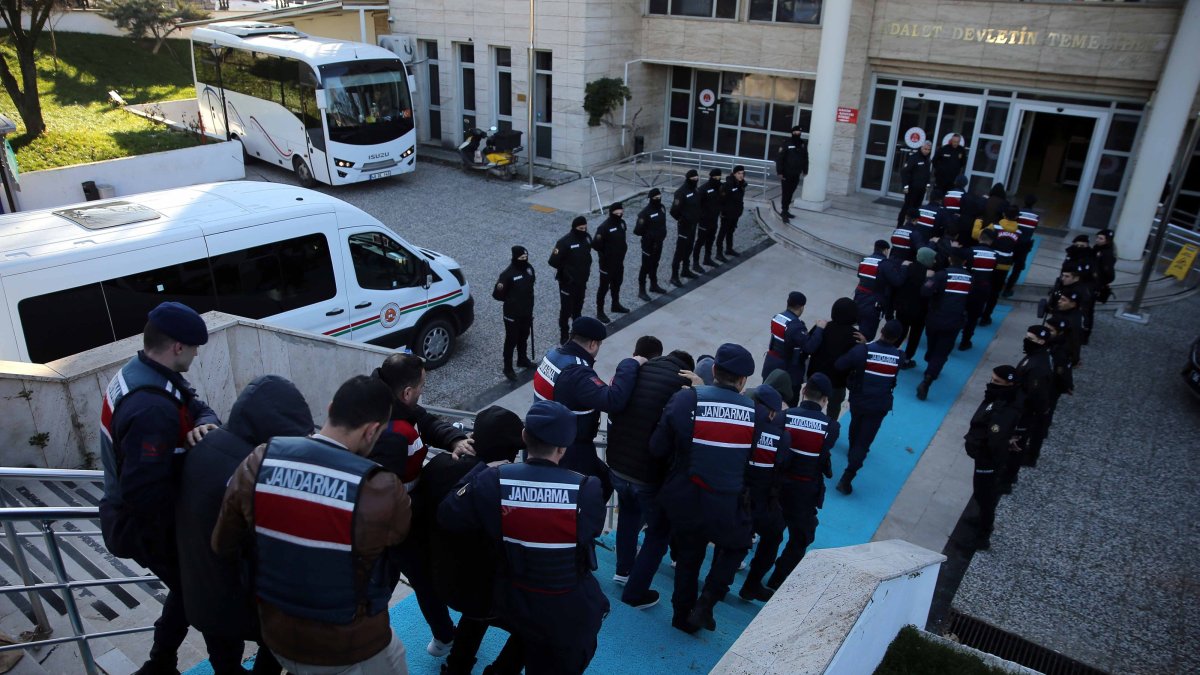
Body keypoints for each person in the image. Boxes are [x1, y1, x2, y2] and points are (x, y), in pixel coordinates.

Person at [212, 375, 412, 674]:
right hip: (352, 645)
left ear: (331, 408)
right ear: (372, 431)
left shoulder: (259, 460)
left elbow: (223, 544)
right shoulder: (381, 488)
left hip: (277, 634)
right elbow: (398, 535)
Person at [438, 401, 609, 675]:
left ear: (524, 437)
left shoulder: (493, 480)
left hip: (512, 596)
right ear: (563, 448)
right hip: (564, 602)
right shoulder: (586, 489)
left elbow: (449, 513)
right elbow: (589, 532)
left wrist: (483, 467)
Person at [99, 302, 221, 675]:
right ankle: (214, 666)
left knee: (189, 591)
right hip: (145, 525)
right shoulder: (151, 408)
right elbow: (145, 492)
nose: (198, 355)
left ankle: (160, 664)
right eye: (195, 348)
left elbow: (196, 403)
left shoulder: (142, 372)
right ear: (178, 348)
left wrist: (204, 423)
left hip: (134, 516)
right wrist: (188, 531)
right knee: (205, 591)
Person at [177, 376, 312, 675]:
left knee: (224, 662)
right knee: (277, 647)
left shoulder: (202, 444)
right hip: (243, 599)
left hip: (199, 590)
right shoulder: (256, 472)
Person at [369, 353, 473, 659]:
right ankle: (443, 637)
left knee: (383, 582)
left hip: (394, 519)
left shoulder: (384, 401)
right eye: (421, 385)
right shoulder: (394, 436)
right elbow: (385, 492)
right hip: (398, 523)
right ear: (406, 393)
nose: (423, 390)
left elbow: (425, 419)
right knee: (420, 580)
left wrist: (453, 438)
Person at [653, 344, 757, 634]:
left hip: (687, 497)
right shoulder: (754, 413)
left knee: (688, 557)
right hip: (728, 502)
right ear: (743, 381)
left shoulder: (686, 400)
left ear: (713, 371)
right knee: (737, 545)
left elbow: (658, 447)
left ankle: (681, 615)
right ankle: (707, 602)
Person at [421, 406, 526, 675]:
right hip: (485, 591)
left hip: (443, 580)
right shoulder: (508, 491)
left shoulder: (439, 466)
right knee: (538, 625)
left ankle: (457, 666)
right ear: (512, 452)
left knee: (477, 610)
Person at [606, 349, 697, 607]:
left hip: (616, 465)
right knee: (658, 532)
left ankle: (623, 571)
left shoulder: (643, 370)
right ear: (687, 369)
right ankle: (635, 594)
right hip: (647, 474)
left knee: (628, 514)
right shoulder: (685, 387)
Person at [532, 316, 643, 497]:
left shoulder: (552, 355)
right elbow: (613, 399)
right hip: (569, 448)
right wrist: (631, 363)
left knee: (602, 480)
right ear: (593, 344)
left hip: (545, 437)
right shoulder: (577, 372)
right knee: (596, 489)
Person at [763, 374, 838, 591]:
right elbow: (823, 454)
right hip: (805, 491)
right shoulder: (830, 427)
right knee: (801, 536)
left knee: (771, 532)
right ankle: (778, 578)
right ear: (825, 399)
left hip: (777, 486)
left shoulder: (784, 416)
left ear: (804, 391)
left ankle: (756, 574)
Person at [834, 321, 903, 495]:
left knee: (856, 424)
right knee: (865, 440)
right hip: (879, 405)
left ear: (881, 331)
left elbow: (840, 364)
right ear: (897, 338)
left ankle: (852, 449)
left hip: (859, 400)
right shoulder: (899, 357)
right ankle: (847, 477)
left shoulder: (863, 351)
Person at [737, 383, 790, 602]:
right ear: (772, 412)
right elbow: (782, 465)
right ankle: (751, 585)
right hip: (760, 501)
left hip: (731, 494)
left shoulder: (739, 424)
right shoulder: (781, 437)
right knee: (774, 535)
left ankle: (714, 589)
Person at [961, 365, 1022, 550]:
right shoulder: (998, 398)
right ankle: (981, 519)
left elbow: (996, 438)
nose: (992, 383)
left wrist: (986, 454)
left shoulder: (1005, 408)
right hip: (983, 456)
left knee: (985, 494)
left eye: (997, 382)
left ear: (1009, 384)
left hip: (988, 460)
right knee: (981, 492)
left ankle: (983, 535)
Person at [1001, 326, 1052, 491]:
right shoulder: (1034, 357)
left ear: (1041, 341)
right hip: (1019, 409)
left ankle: (1006, 480)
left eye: (1031, 339)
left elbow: (1036, 395)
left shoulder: (1037, 365)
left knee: (1016, 445)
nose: (1026, 341)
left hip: (1024, 413)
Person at [917, 250, 972, 401]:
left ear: (949, 259)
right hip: (954, 321)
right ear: (965, 263)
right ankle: (929, 378)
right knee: (941, 352)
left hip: (935, 318)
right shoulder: (970, 279)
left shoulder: (941, 275)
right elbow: (972, 300)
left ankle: (930, 365)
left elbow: (925, 291)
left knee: (933, 346)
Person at [762, 291, 825, 403]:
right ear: (801, 307)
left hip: (771, 364)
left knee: (765, 396)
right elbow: (809, 347)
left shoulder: (777, 317)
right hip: (788, 370)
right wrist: (819, 329)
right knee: (789, 401)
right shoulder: (796, 326)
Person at [806, 297, 861, 422]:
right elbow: (858, 359)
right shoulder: (856, 336)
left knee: (810, 405)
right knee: (834, 407)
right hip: (837, 382)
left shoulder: (822, 326)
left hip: (815, 377)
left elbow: (809, 345)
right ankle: (829, 429)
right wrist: (864, 344)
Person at [548, 216, 593, 344]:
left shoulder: (587, 238)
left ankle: (577, 332)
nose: (583, 230)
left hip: (582, 280)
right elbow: (552, 261)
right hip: (567, 282)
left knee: (578, 308)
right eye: (580, 228)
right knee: (566, 309)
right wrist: (566, 271)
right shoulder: (564, 242)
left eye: (585, 228)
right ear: (574, 228)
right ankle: (564, 333)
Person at [494, 246, 536, 381]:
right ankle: (508, 367)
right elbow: (497, 294)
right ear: (515, 258)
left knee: (524, 336)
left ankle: (522, 359)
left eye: (526, 257)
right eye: (521, 258)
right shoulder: (507, 274)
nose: (524, 260)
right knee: (511, 340)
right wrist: (512, 301)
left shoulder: (529, 269)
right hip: (512, 314)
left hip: (526, 312)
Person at [977, 206, 1020, 325]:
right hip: (1005, 266)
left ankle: (976, 313)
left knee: (982, 289)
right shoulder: (1019, 232)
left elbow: (980, 235)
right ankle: (986, 317)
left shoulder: (994, 226)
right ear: (1016, 217)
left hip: (990, 263)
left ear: (1004, 214)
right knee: (995, 293)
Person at [895, 247, 935, 369]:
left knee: (900, 332)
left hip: (903, 308)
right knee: (914, 336)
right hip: (920, 311)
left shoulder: (907, 268)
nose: (935, 261)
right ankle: (907, 359)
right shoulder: (930, 274)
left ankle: (890, 352)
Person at [958, 229, 998, 351]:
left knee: (958, 312)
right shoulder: (995, 255)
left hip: (966, 287)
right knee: (973, 317)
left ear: (979, 237)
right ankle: (965, 342)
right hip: (982, 289)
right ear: (991, 241)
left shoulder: (969, 251)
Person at [854, 239, 901, 341]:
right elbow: (897, 281)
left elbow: (859, 275)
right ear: (885, 250)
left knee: (858, 329)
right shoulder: (885, 264)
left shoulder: (865, 260)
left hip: (859, 299)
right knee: (867, 335)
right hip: (873, 304)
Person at [593, 202, 630, 324]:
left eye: (621, 213)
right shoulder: (604, 228)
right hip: (607, 264)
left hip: (619, 262)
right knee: (603, 288)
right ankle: (600, 311)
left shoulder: (622, 223)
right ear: (611, 213)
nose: (619, 215)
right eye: (617, 213)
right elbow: (596, 245)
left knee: (617, 283)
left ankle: (615, 304)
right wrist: (606, 254)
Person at [670, 170, 702, 286]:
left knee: (689, 248)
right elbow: (674, 211)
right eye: (693, 178)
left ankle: (685, 269)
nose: (695, 180)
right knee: (680, 250)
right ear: (688, 179)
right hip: (684, 226)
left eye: (696, 178)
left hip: (693, 225)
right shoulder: (681, 192)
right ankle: (674, 275)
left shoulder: (696, 190)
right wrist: (682, 220)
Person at [1003, 195, 1040, 297]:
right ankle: (1008, 289)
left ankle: (1001, 284)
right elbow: (1033, 229)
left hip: (1013, 242)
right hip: (1024, 245)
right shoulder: (1036, 217)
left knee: (1006, 264)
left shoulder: (1018, 213)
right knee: (1017, 268)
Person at [635, 188, 669, 300]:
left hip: (659, 242)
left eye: (659, 197)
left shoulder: (662, 208)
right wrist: (649, 235)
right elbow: (637, 230)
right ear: (650, 198)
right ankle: (642, 290)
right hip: (648, 244)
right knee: (645, 267)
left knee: (655, 264)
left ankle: (653, 285)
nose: (658, 199)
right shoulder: (644, 213)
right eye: (656, 198)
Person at [775, 126, 809, 222]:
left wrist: (805, 170)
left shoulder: (802, 144)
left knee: (791, 192)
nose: (798, 133)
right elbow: (780, 158)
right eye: (796, 131)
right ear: (792, 132)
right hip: (786, 173)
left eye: (799, 132)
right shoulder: (786, 143)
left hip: (796, 173)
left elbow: (805, 157)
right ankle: (784, 211)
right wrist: (779, 172)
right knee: (786, 192)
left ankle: (786, 209)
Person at [898, 141, 932, 227]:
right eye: (925, 149)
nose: (926, 151)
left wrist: (927, 184)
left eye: (928, 149)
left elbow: (927, 173)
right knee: (907, 207)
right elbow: (904, 172)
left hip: (921, 189)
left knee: (917, 208)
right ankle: (900, 224)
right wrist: (905, 186)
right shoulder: (914, 158)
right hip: (912, 188)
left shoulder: (927, 159)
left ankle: (911, 225)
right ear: (921, 148)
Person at [694, 168, 723, 270]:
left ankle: (707, 258)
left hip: (714, 219)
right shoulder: (703, 189)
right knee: (700, 241)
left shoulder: (720, 187)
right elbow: (697, 205)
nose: (717, 179)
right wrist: (700, 216)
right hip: (704, 220)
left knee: (711, 239)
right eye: (715, 178)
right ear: (711, 177)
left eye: (719, 178)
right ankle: (695, 263)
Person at [717, 165, 747, 259]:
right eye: (739, 173)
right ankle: (719, 253)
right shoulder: (727, 185)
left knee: (731, 231)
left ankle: (729, 249)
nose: (741, 175)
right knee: (722, 233)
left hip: (735, 213)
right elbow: (721, 199)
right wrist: (723, 212)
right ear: (734, 174)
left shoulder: (741, 184)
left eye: (742, 173)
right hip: (727, 214)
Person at [1092, 229, 1117, 305]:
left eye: (1101, 238)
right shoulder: (1098, 247)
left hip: (1098, 278)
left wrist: (1102, 282)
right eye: (1097, 237)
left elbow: (1108, 271)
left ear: (1107, 241)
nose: (1097, 240)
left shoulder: (1107, 254)